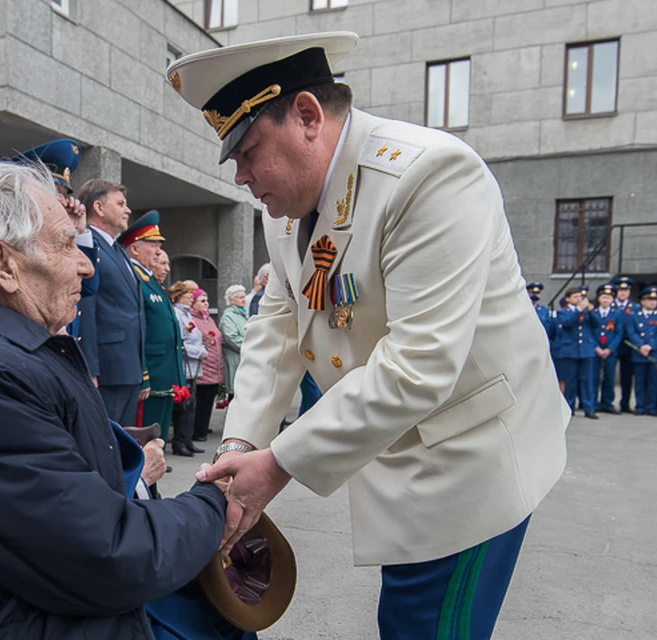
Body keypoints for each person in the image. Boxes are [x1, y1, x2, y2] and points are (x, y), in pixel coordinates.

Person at [168, 32, 569, 637]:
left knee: (428, 626)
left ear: (306, 115)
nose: (243, 178)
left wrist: (277, 463)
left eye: (249, 151)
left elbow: (419, 364)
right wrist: (239, 448)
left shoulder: (428, 175)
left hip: (468, 457)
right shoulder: (288, 208)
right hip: (398, 452)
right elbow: (276, 333)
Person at [0, 161, 229, 639]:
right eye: (66, 244)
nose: (86, 264)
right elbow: (110, 556)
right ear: (3, 263)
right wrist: (218, 501)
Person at [76, 179, 148, 425]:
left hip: (127, 365)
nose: (127, 210)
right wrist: (90, 368)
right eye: (120, 204)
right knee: (107, 441)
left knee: (123, 443)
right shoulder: (89, 245)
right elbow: (86, 307)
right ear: (98, 207)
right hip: (107, 368)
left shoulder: (116, 250)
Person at [121, 211, 184, 440]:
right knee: (146, 440)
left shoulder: (150, 281)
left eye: (159, 245)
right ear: (135, 249)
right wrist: (144, 375)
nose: (158, 251)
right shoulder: (136, 279)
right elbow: (137, 331)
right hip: (152, 374)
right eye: (152, 244)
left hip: (164, 374)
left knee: (157, 439)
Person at [170, 281, 206, 457]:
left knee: (191, 407)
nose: (191, 301)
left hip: (193, 366)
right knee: (183, 408)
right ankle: (179, 441)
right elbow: (181, 343)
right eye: (188, 297)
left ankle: (187, 440)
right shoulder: (177, 314)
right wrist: (198, 352)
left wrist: (201, 350)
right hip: (186, 365)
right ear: (178, 297)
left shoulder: (188, 315)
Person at [556, 287, 600, 418]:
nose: (579, 299)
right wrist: (579, 310)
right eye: (575, 297)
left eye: (580, 297)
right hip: (570, 351)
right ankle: (570, 407)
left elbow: (597, 324)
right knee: (571, 381)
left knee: (587, 380)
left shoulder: (587, 312)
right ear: (568, 299)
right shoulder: (563, 312)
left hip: (585, 350)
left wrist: (590, 311)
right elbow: (568, 323)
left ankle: (589, 408)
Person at [627, 286, 657, 416]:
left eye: (655, 299)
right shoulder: (634, 315)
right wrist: (641, 346)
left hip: (654, 353)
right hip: (639, 353)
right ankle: (640, 405)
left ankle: (652, 406)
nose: (653, 302)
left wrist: (650, 346)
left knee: (654, 382)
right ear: (642, 301)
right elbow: (631, 332)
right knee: (639, 381)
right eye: (649, 299)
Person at [190, 288, 223, 443]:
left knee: (209, 400)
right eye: (202, 301)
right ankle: (197, 430)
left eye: (207, 300)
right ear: (194, 303)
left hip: (215, 366)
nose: (206, 303)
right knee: (201, 401)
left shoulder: (208, 319)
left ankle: (204, 427)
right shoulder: (192, 320)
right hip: (203, 366)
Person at [592, 283, 622, 414]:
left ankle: (607, 402)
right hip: (596, 350)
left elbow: (619, 333)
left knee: (609, 377)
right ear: (599, 299)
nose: (606, 300)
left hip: (610, 351)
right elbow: (590, 332)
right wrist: (596, 347)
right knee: (594, 377)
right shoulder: (593, 313)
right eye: (603, 297)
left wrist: (610, 349)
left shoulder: (617, 314)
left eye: (609, 298)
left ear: (612, 300)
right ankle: (593, 402)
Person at [612, 276, 640, 411]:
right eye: (620, 290)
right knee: (608, 375)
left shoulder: (635, 307)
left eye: (626, 290)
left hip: (628, 346)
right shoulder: (611, 305)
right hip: (612, 345)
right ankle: (606, 402)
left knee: (627, 376)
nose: (623, 293)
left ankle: (625, 403)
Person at [219, 284, 248, 405]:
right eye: (240, 297)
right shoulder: (228, 316)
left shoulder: (242, 314)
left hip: (243, 358)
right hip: (234, 359)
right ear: (231, 300)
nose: (244, 299)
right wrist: (249, 347)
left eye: (244, 297)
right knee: (235, 394)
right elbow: (231, 337)